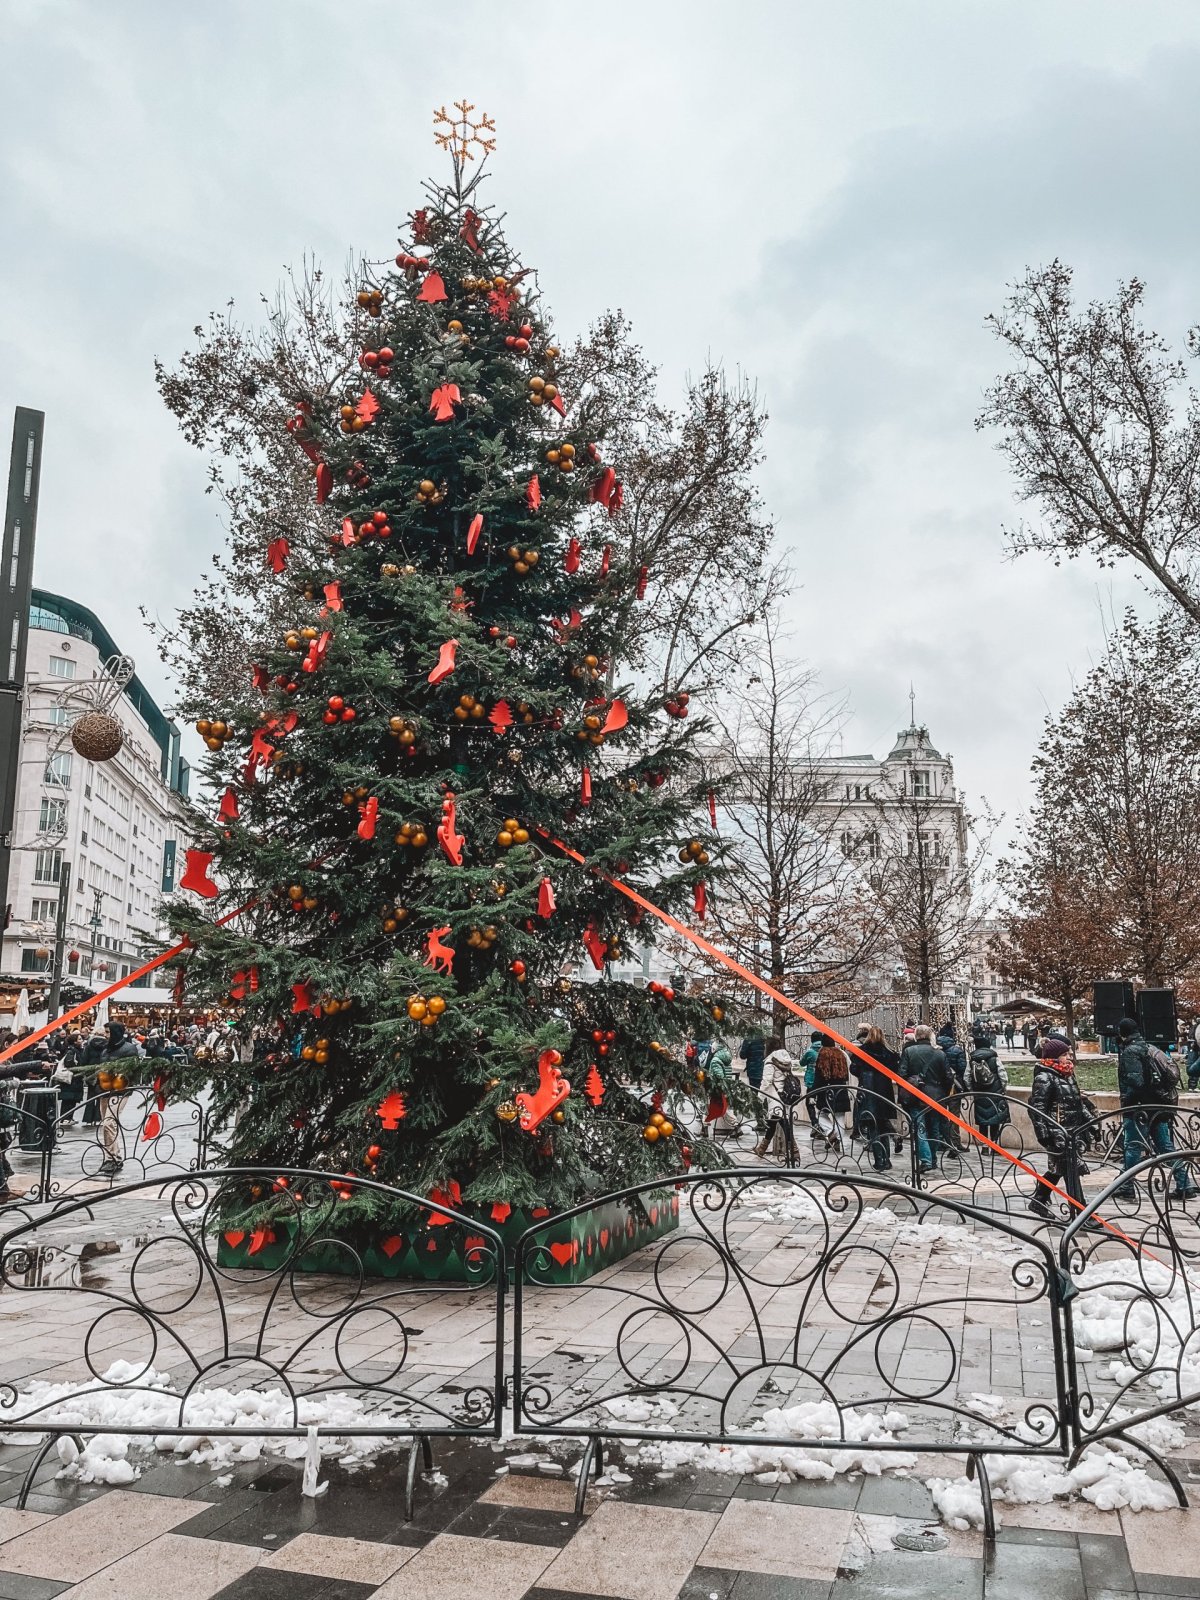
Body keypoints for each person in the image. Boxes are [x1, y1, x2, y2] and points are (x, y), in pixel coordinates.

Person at [1116, 1017, 1197, 1200]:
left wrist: (1127, 1103)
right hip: (1157, 1105)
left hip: (1139, 1108)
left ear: (1122, 1033)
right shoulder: (1149, 1047)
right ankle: (1184, 1185)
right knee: (1166, 1147)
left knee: (1133, 1147)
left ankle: (1126, 1186)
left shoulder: (1130, 1052)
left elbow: (1136, 1082)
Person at [1027, 1035, 1089, 1218]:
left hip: (1071, 1130)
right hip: (1058, 1132)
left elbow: (1077, 1103)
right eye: (1065, 1054)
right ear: (1054, 1057)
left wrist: (1090, 1122)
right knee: (1070, 1170)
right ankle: (1082, 1213)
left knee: (1059, 1169)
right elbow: (1038, 1109)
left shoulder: (1067, 1074)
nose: (1069, 1057)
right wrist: (1044, 1134)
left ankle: (1038, 1200)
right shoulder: (1044, 1077)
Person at [898, 1025, 953, 1172]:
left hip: (915, 1096)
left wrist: (911, 1083)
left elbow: (901, 1074)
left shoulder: (909, 1051)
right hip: (936, 1097)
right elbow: (948, 1077)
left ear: (916, 1036)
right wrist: (943, 1093)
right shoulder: (940, 1054)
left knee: (919, 1129)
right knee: (934, 1128)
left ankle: (926, 1160)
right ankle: (933, 1159)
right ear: (930, 1036)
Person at [850, 1025, 898, 1172]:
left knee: (873, 1128)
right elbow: (895, 1070)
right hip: (884, 1092)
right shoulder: (889, 1053)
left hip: (868, 1091)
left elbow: (854, 1069)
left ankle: (879, 1160)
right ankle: (887, 1159)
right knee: (883, 1127)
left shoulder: (862, 1052)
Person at [95, 1021, 138, 1177]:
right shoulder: (105, 1049)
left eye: (108, 1032)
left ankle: (113, 1157)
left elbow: (130, 1070)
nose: (105, 1035)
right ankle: (112, 1156)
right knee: (107, 1125)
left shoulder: (129, 1049)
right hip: (104, 1089)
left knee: (109, 1122)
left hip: (120, 1090)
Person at [751, 1048, 803, 1161]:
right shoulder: (785, 1060)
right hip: (784, 1095)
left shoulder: (770, 1062)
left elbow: (766, 1081)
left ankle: (794, 1151)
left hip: (775, 1096)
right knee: (773, 1123)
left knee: (783, 1123)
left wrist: (759, 1098)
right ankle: (762, 1149)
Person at [967, 1037, 1010, 1144]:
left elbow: (966, 1077)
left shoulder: (972, 1059)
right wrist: (1003, 1089)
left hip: (979, 1094)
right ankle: (995, 1145)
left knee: (983, 1121)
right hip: (995, 1093)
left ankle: (984, 1146)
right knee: (995, 1120)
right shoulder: (994, 1058)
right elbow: (1003, 1076)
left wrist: (972, 1090)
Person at [812, 1038, 851, 1154]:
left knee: (821, 1114)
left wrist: (814, 1093)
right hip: (841, 1089)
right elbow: (846, 1074)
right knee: (840, 1117)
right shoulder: (841, 1054)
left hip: (826, 1090)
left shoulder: (822, 1055)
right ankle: (838, 1139)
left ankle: (830, 1132)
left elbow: (818, 1076)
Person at [936, 1026, 969, 1152]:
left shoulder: (936, 1050)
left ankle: (942, 1141)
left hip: (939, 1086)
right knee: (954, 1115)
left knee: (941, 1115)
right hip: (954, 1087)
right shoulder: (957, 1050)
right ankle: (955, 1142)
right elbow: (962, 1069)